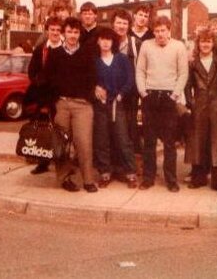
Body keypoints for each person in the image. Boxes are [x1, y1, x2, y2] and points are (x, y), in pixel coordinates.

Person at [135, 15, 188, 192]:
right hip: (150, 96)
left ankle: (171, 180)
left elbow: (183, 74)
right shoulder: (146, 45)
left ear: (169, 30)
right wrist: (143, 93)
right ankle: (148, 178)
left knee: (169, 142)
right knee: (149, 141)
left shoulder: (179, 46)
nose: (159, 34)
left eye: (163, 30)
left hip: (169, 97)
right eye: (156, 31)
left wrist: (174, 95)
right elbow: (140, 71)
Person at [45, 17, 98, 193]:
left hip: (82, 105)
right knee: (62, 144)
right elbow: (49, 80)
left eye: (76, 32)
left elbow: (93, 79)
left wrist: (88, 97)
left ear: (79, 33)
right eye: (69, 32)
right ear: (63, 33)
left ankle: (88, 180)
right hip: (62, 104)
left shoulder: (87, 54)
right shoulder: (55, 54)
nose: (73, 35)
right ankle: (64, 178)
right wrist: (54, 103)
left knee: (84, 143)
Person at [184, 28, 217, 195]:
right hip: (199, 106)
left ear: (213, 44)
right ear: (198, 44)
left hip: (216, 107)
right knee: (198, 141)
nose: (205, 44)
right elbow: (187, 86)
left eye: (208, 41)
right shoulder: (193, 63)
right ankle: (198, 178)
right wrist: (191, 102)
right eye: (202, 41)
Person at [93, 27, 138, 189]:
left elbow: (130, 80)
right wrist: (95, 88)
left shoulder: (121, 59)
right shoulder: (94, 61)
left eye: (108, 39)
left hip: (117, 104)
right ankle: (105, 172)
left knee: (123, 138)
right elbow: (89, 80)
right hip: (100, 106)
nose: (105, 42)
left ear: (113, 42)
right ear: (98, 41)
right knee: (102, 139)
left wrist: (121, 95)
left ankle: (131, 173)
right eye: (102, 39)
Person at [25, 16, 63, 175]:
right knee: (41, 131)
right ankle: (43, 162)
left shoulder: (65, 49)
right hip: (42, 97)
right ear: (47, 31)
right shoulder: (40, 49)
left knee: (59, 131)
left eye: (58, 30)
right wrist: (38, 81)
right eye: (52, 29)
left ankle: (61, 163)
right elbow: (31, 72)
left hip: (59, 97)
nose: (55, 32)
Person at [110, 8, 143, 157]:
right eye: (118, 23)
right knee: (111, 126)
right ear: (113, 24)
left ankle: (129, 164)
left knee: (130, 127)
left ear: (129, 26)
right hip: (111, 92)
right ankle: (114, 163)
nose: (121, 26)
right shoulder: (106, 42)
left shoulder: (136, 43)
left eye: (125, 23)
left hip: (130, 93)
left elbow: (142, 69)